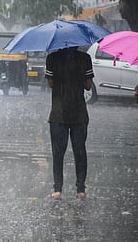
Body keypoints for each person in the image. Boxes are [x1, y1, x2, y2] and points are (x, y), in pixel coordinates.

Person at [45, 46, 94, 200]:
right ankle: (81, 190)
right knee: (80, 152)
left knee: (58, 153)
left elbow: (51, 84)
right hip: (79, 112)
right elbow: (88, 85)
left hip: (59, 113)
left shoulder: (52, 58)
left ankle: (57, 189)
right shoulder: (85, 58)